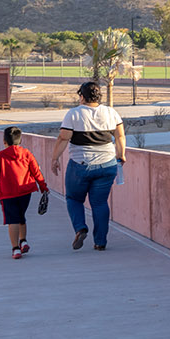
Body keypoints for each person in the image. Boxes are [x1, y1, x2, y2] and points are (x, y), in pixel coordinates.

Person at [50, 80, 125, 251]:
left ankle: (80, 228)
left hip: (80, 165)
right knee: (99, 203)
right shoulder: (111, 112)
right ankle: (100, 242)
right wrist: (121, 155)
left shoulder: (74, 114)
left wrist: (55, 158)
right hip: (107, 165)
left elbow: (63, 138)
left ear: (81, 96)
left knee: (73, 198)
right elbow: (120, 136)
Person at [0, 126, 48, 259]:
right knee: (21, 216)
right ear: (20, 140)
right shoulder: (26, 153)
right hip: (25, 192)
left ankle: (16, 248)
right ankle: (24, 240)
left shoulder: (2, 155)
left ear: (4, 141)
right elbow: (36, 171)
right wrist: (43, 186)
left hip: (8, 192)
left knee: (12, 220)